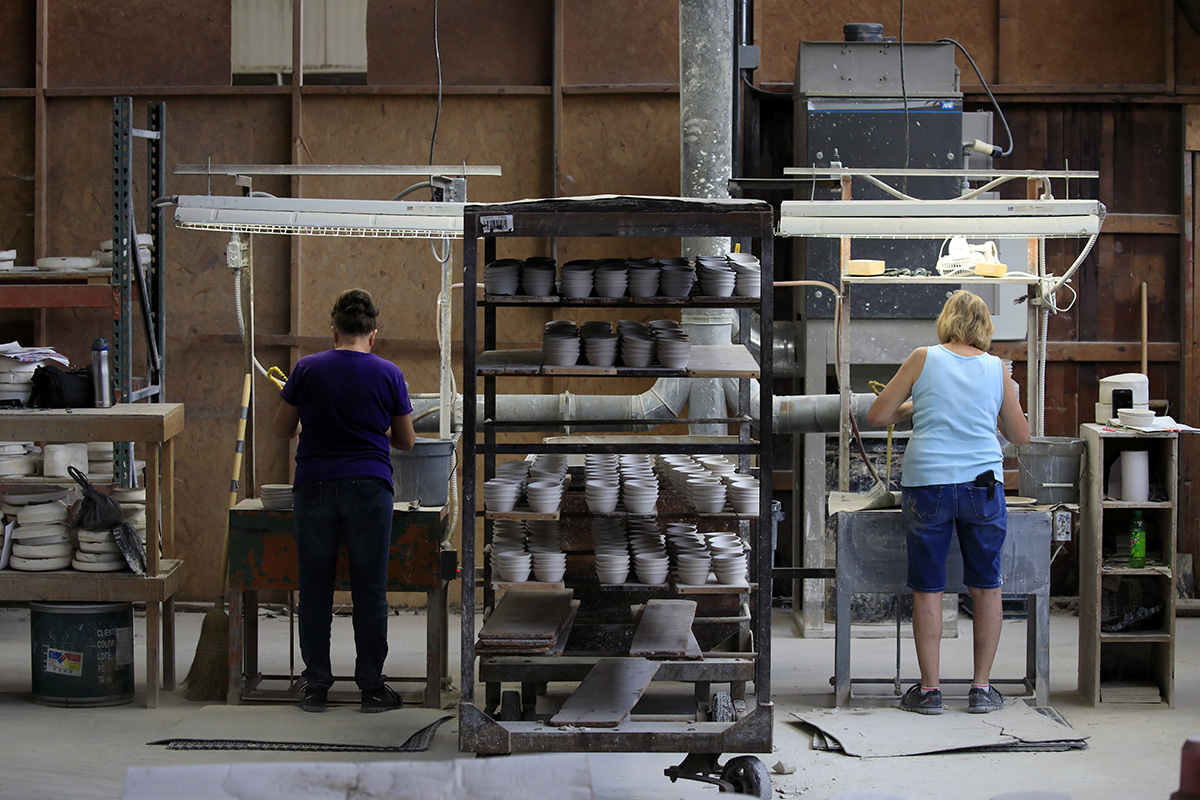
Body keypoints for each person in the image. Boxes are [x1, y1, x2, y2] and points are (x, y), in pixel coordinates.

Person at [867, 290, 1030, 715]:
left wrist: (912, 407)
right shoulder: (996, 368)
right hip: (983, 486)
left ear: (946, 321)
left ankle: (930, 691)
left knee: (928, 588)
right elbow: (1020, 436)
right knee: (986, 586)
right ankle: (980, 689)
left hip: (929, 485)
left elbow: (877, 416)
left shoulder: (923, 357)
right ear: (985, 329)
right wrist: (995, 401)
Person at [271, 288, 416, 713]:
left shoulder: (307, 368)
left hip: (314, 486)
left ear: (334, 332)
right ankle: (371, 688)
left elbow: (282, 430)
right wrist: (371, 432)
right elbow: (406, 441)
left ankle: (316, 687)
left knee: (315, 590)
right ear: (372, 335)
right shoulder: (389, 373)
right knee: (369, 590)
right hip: (369, 487)